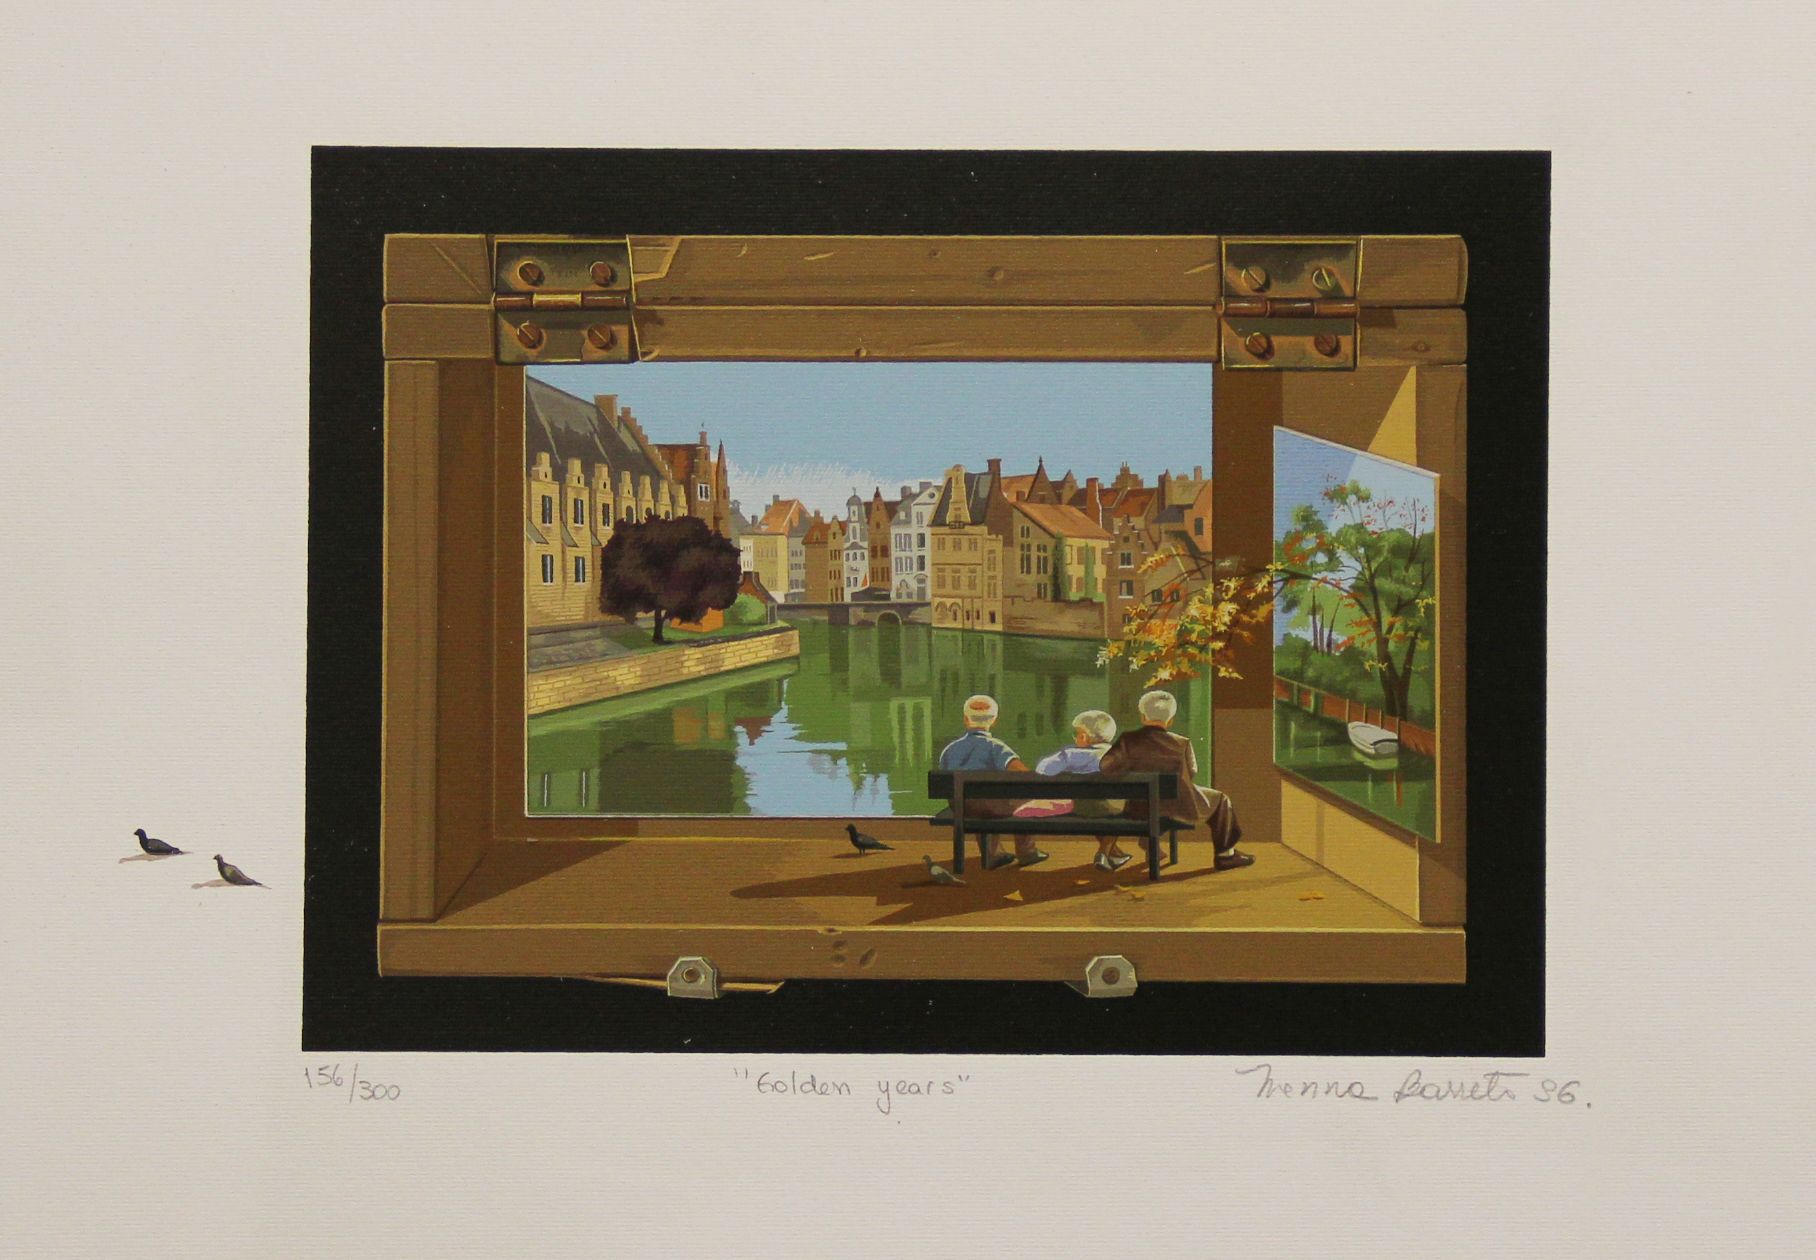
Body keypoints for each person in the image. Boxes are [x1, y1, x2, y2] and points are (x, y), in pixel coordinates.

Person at [1099, 689, 1254, 871]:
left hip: (1139, 808)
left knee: (1151, 801)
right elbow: (1192, 772)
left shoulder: (1127, 740)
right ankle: (1225, 855)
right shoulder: (1182, 743)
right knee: (1221, 800)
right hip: (1179, 807)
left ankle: (1149, 843)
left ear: (1143, 716)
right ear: (1170, 720)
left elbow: (1106, 767)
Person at [937, 694, 1049, 870]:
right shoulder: (996, 747)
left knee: (981, 801)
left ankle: (993, 854)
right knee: (1022, 800)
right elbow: (1023, 774)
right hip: (992, 806)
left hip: (961, 806)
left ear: (966, 719)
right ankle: (1027, 852)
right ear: (994, 720)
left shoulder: (949, 750)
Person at [1017, 709, 1133, 871]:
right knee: (1109, 809)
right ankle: (1106, 853)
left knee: (1095, 806)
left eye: (1076, 733)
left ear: (1083, 737)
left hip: (1080, 807)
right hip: (1115, 808)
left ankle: (1109, 853)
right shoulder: (1121, 755)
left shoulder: (1070, 755)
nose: (1075, 737)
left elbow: (1042, 769)